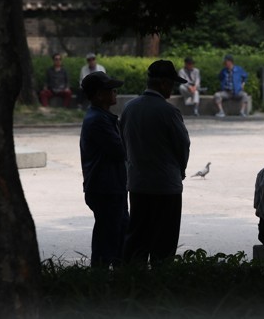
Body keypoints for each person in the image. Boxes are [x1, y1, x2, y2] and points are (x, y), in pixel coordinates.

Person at [120, 60, 191, 266]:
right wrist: (180, 171)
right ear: (162, 83)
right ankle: (160, 285)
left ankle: (132, 282)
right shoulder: (169, 112)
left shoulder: (129, 108)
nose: (172, 88)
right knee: (164, 242)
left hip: (138, 183)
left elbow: (123, 142)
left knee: (137, 237)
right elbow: (182, 146)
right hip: (166, 185)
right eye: (171, 84)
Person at [79, 71, 128, 268]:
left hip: (109, 186)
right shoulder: (99, 120)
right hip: (106, 188)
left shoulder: (101, 117)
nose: (115, 92)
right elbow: (120, 150)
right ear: (99, 94)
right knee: (108, 239)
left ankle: (113, 281)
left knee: (117, 235)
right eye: (111, 90)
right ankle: (101, 282)